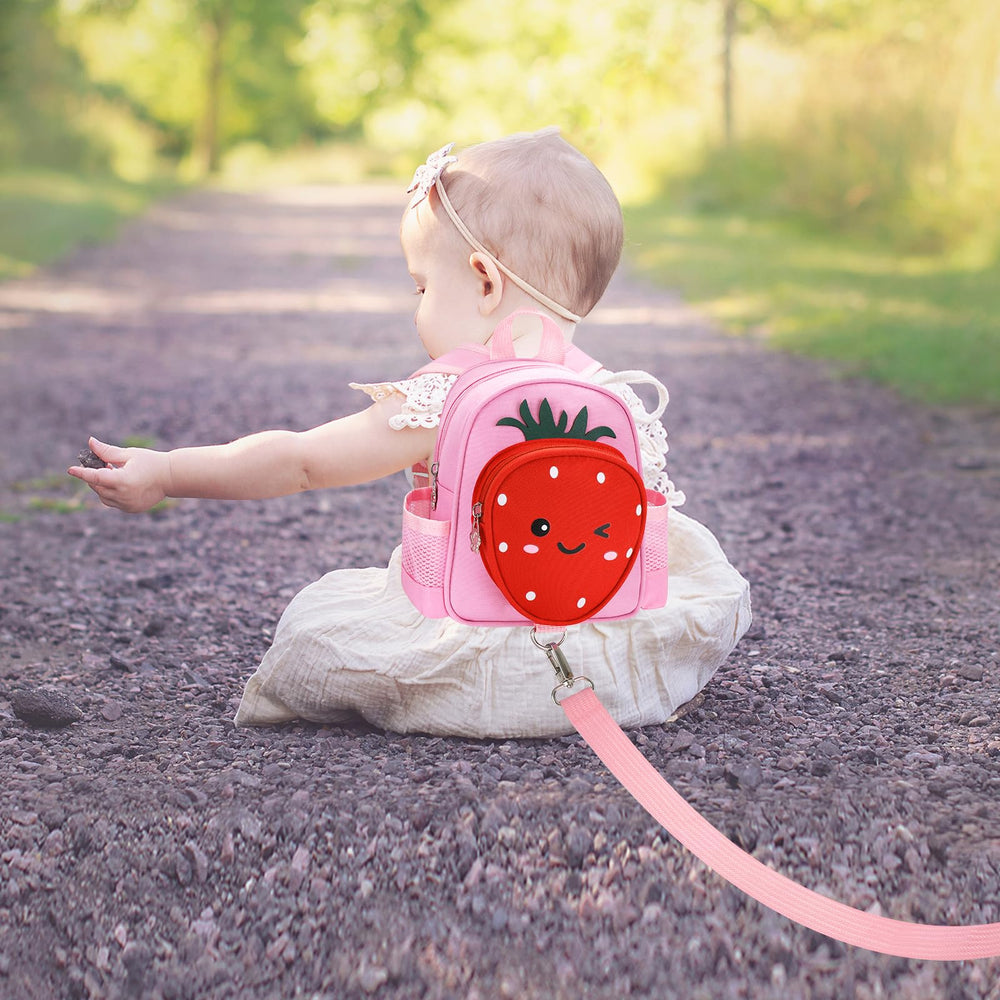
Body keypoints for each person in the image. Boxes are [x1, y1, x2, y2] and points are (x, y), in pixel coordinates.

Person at [68, 128, 751, 738]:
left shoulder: (449, 396)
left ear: (483, 282)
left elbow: (303, 461)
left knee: (319, 625)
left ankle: (486, 698)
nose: (417, 306)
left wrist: (167, 472)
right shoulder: (618, 396)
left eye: (422, 286)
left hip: (475, 634)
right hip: (600, 638)